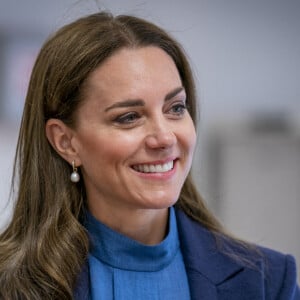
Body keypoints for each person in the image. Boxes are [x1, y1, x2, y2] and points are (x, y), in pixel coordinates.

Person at [0, 11, 299, 300]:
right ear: (65, 141)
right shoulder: (8, 284)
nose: (165, 137)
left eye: (176, 109)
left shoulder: (267, 282)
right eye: (129, 116)